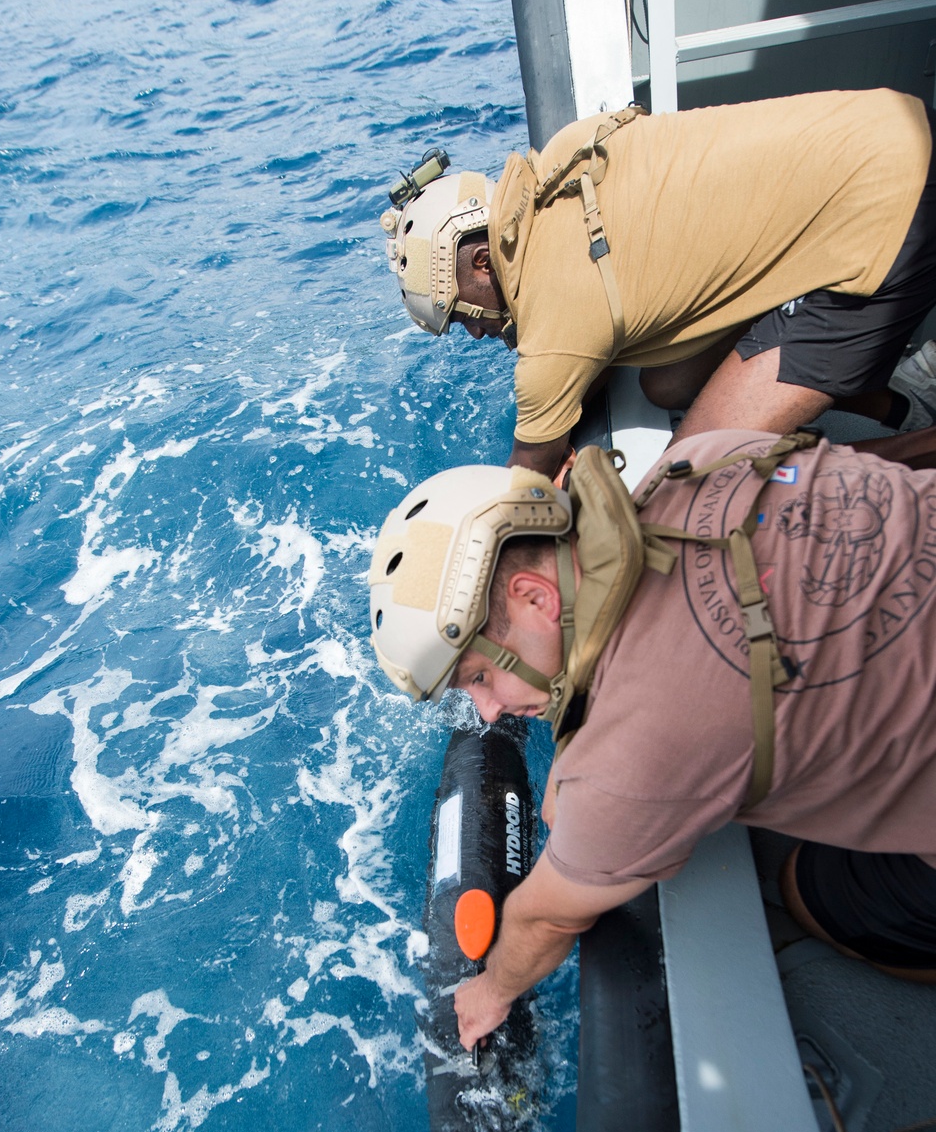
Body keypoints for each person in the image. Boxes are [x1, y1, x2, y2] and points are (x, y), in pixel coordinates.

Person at [367, 429, 936, 1052]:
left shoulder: (636, 758)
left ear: (534, 597)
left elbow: (550, 914)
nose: (489, 707)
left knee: (816, 890)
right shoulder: (698, 459)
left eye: (479, 676)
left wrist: (490, 991)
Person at [380, 89, 936, 480]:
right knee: (665, 386)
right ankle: (904, 402)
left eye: (460, 315)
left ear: (482, 262)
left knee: (690, 475)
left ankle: (916, 458)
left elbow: (527, 476)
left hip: (885, 222)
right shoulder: (558, 162)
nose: (475, 334)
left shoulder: (553, 321)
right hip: (889, 132)